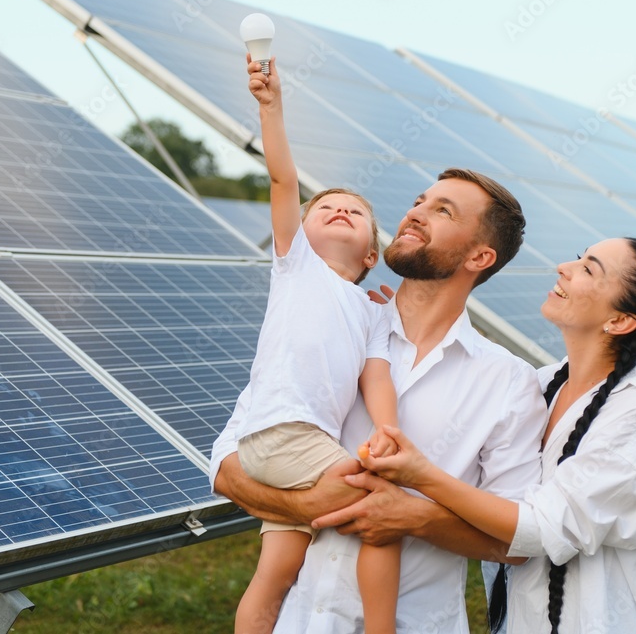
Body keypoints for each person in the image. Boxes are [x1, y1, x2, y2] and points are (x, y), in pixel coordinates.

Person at [211, 121, 549, 632]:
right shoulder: (327, 328)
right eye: (420, 200)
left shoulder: (507, 382)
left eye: (443, 211)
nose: (415, 212)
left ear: (480, 257)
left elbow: (517, 541)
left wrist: (417, 516)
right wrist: (305, 504)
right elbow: (225, 467)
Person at [356, 238, 636, 634]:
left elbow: (541, 526)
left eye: (589, 269)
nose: (563, 267)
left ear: (620, 321)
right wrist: (409, 332)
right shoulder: (544, 384)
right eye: (577, 257)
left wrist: (421, 478)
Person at [231, 55, 402, 634]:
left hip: (294, 447)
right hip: (284, 431)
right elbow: (282, 178)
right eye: (324, 206)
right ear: (298, 233)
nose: (338, 208)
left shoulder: (373, 310)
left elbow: (375, 376)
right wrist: (271, 105)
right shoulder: (296, 266)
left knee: (275, 575)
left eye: (355, 212)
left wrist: (387, 427)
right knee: (382, 507)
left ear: (371, 254)